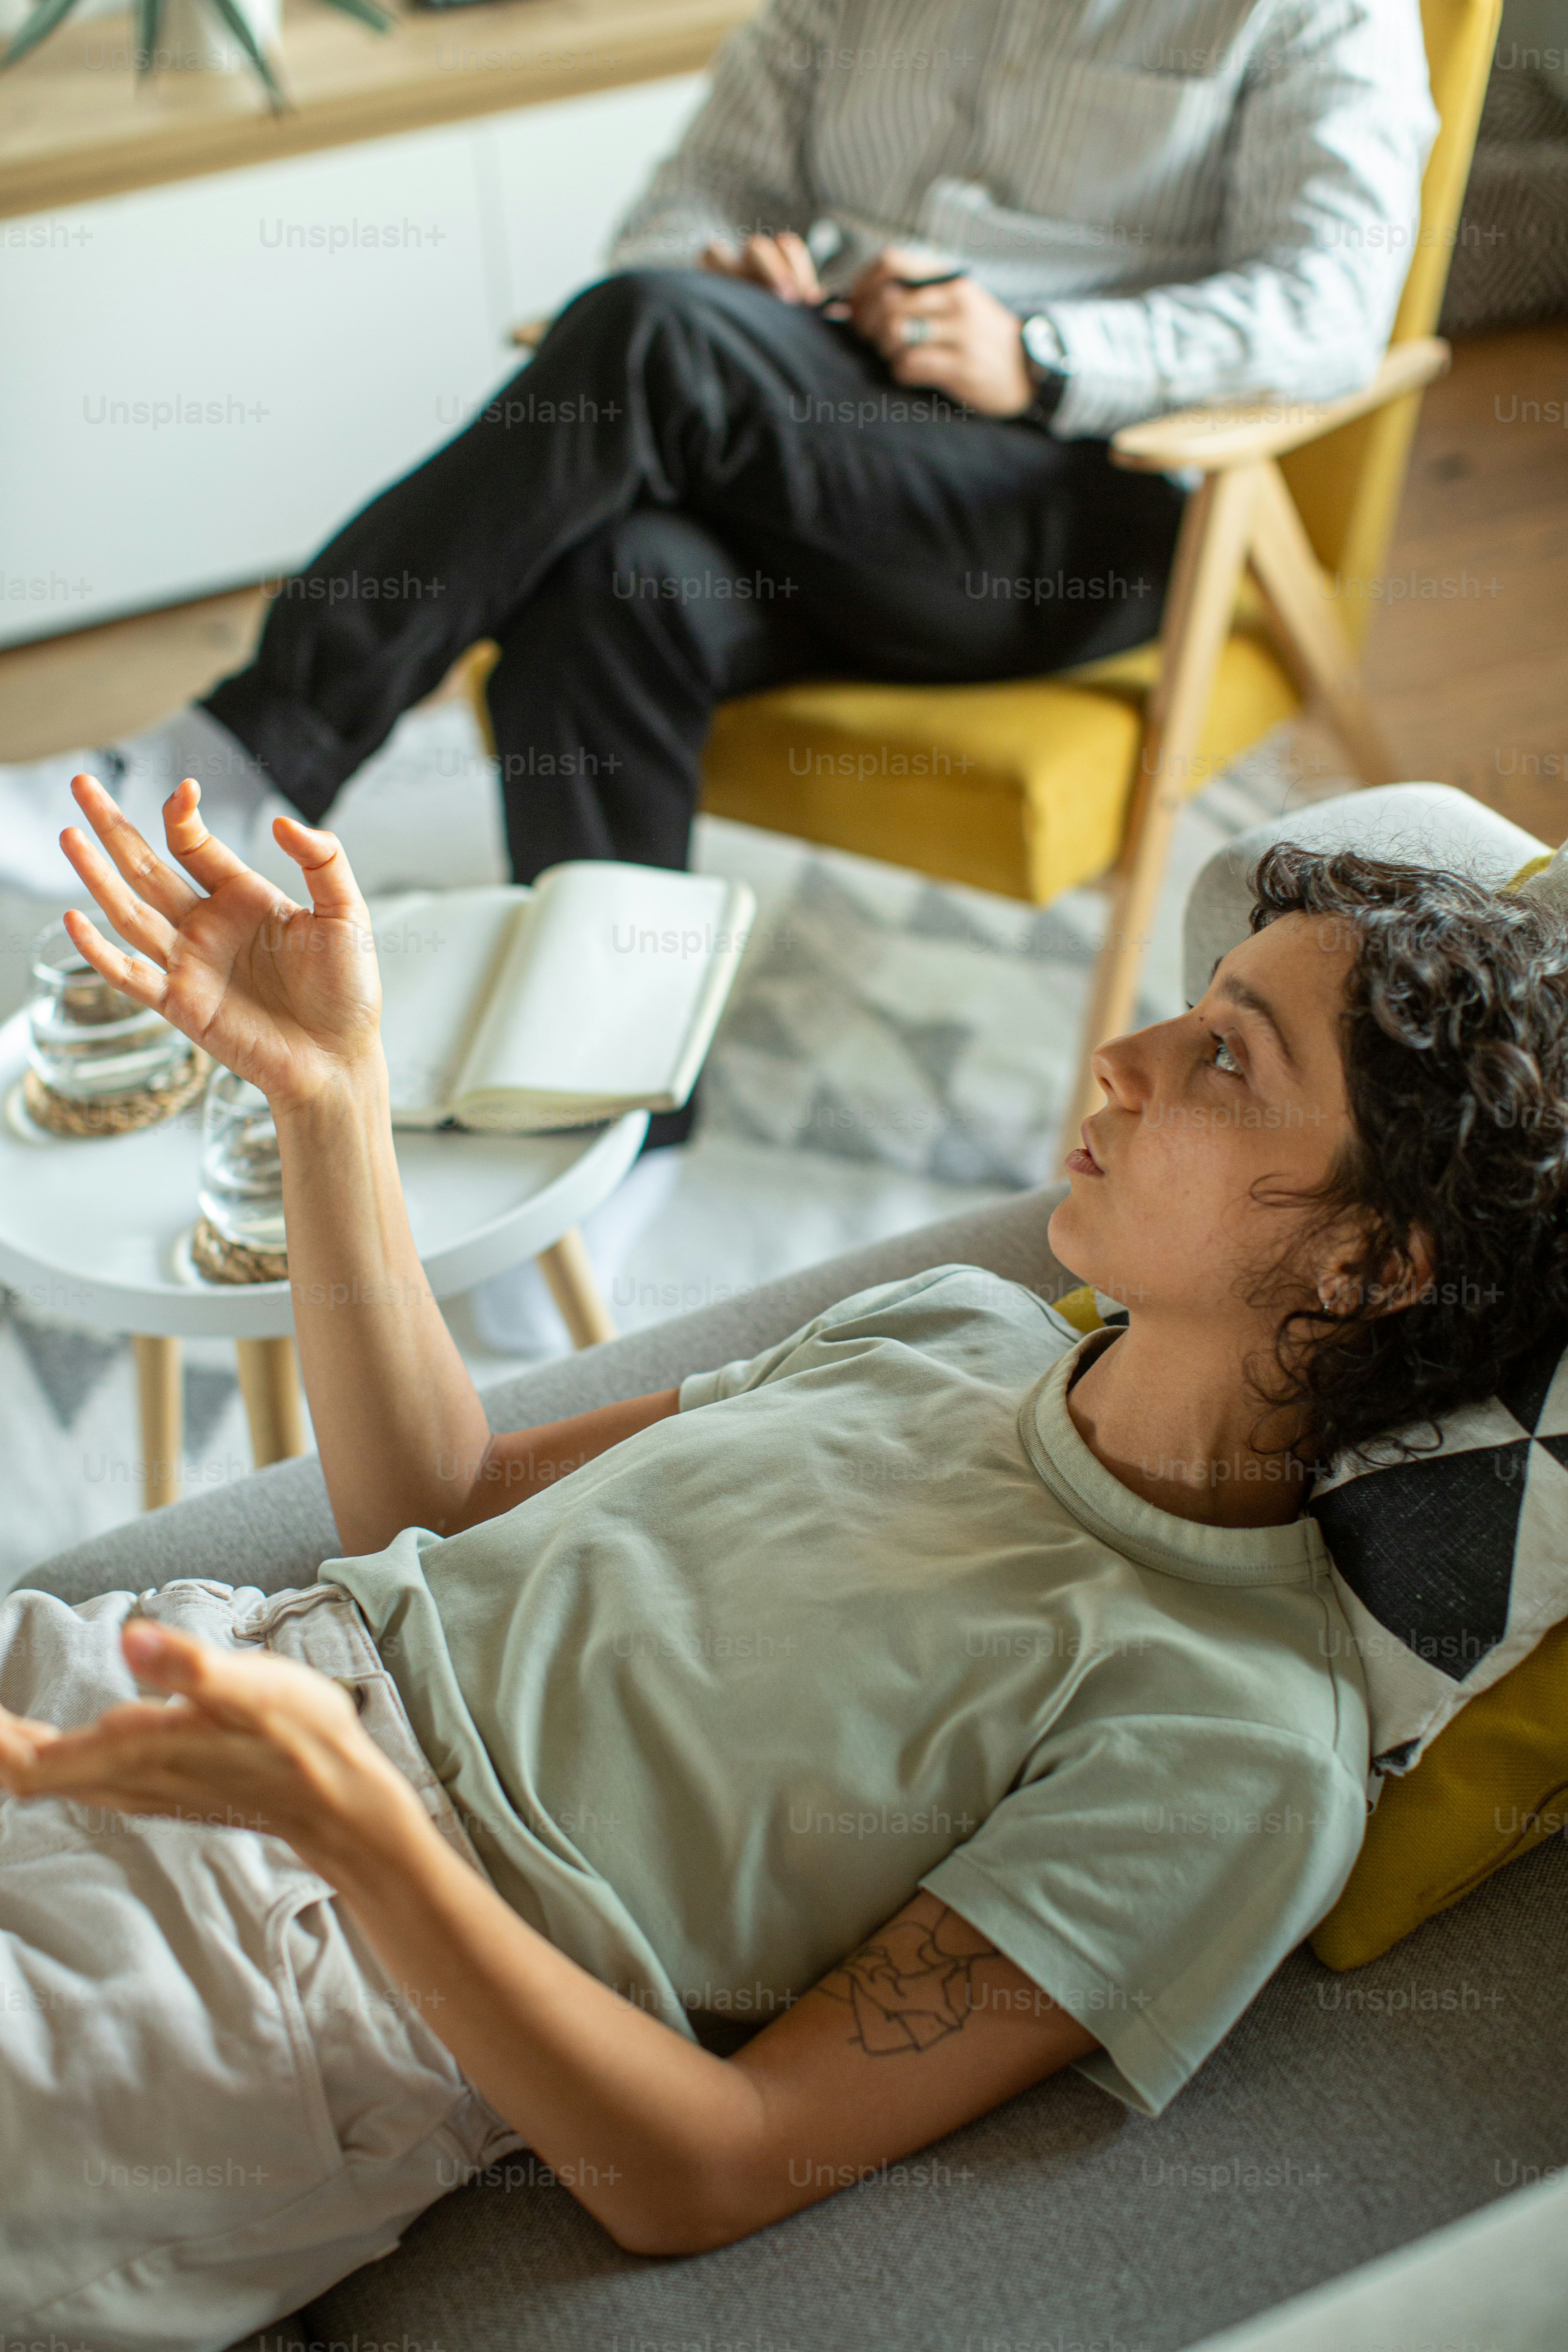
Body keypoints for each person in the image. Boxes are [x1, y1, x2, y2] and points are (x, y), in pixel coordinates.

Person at [3, 770, 1566, 2349]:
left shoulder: (1237, 1742)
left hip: (276, 1983)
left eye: (1227, 1055)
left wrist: (356, 1832)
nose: (1125, 1055)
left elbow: (708, 2168)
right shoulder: (954, 1326)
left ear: (1371, 1263)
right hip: (173, 1669)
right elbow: (446, 1493)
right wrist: (332, 1095)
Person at [0, 0, 1438, 912]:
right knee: (613, 575)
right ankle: (616, 1102)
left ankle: (255, 751)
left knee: (648, 340)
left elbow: (1332, 308)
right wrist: (721, 271)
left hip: (1076, 503)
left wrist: (1046, 357)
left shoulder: (1318, 10)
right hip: (822, 449)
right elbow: (674, 208)